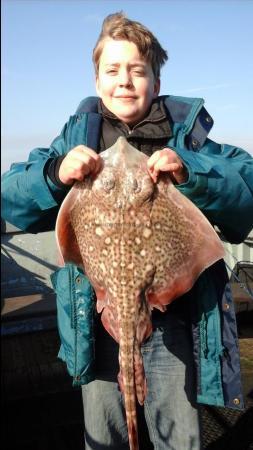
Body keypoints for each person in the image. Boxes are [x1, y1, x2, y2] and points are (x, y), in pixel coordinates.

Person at [2, 11, 253, 450]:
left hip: (173, 318)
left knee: (179, 436)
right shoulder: (74, 137)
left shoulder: (188, 138)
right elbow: (10, 195)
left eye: (138, 71)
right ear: (97, 82)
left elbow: (245, 187)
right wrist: (54, 173)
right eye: (112, 70)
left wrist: (191, 170)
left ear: (156, 82)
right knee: (107, 435)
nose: (124, 80)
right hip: (94, 321)